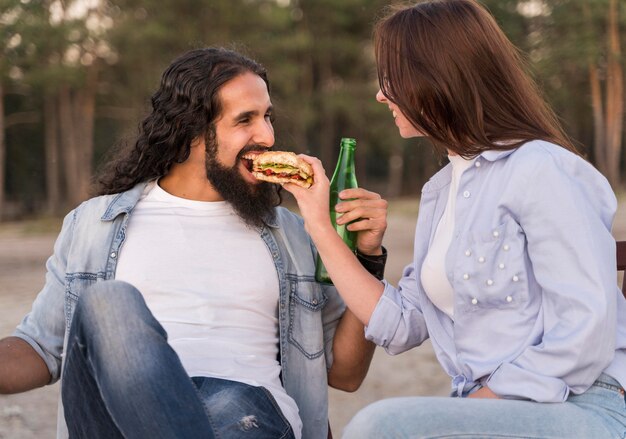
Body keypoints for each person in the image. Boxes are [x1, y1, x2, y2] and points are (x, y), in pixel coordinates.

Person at [0, 47, 389, 439]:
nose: (268, 136)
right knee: (108, 302)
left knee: (230, 409)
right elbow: (41, 348)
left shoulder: (295, 235)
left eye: (267, 116)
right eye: (246, 120)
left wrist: (365, 255)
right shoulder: (93, 224)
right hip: (119, 416)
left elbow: (346, 373)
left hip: (243, 415)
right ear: (192, 129)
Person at [284, 1, 626, 437]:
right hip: (494, 411)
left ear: (436, 76)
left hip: (580, 406)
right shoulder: (441, 191)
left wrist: (484, 401)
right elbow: (400, 322)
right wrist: (322, 225)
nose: (381, 94)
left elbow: (586, 328)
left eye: (391, 78)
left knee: (380, 426)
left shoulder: (540, 168)